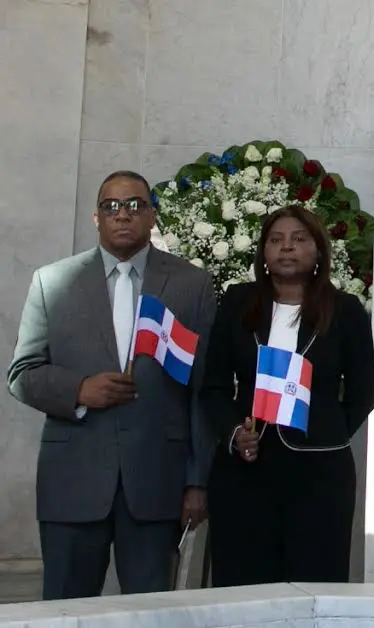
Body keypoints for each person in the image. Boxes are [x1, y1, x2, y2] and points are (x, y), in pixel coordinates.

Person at [7, 170, 214, 599]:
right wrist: (78, 390)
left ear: (152, 215)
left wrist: (197, 481)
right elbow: (22, 373)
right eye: (112, 206)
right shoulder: (53, 282)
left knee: (152, 613)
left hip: (158, 481)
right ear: (96, 218)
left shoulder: (191, 284)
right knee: (66, 610)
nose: (123, 215)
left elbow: (203, 389)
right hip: (73, 481)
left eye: (135, 205)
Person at [200, 206, 374, 586]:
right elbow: (213, 385)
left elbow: (364, 393)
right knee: (243, 589)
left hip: (320, 478)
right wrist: (234, 433)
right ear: (263, 252)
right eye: (276, 240)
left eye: (298, 239)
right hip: (245, 474)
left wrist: (327, 432)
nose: (286, 248)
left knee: (313, 585)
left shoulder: (345, 311)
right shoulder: (237, 302)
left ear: (318, 251)